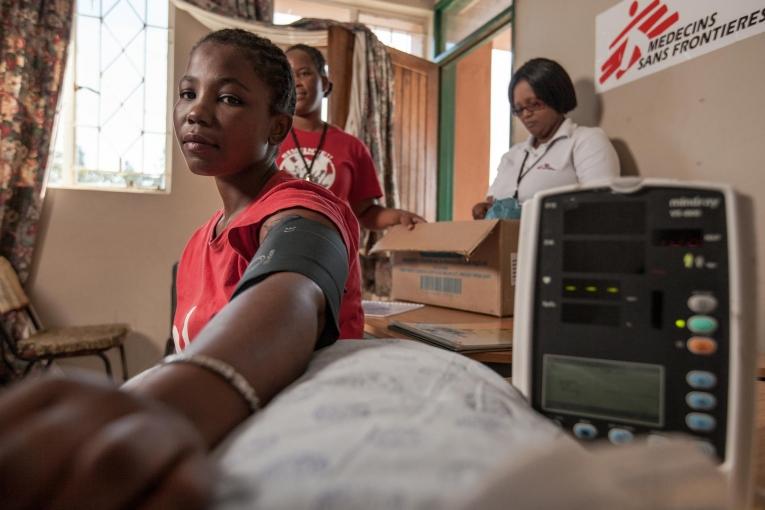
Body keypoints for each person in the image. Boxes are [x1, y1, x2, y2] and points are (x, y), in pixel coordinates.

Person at [0, 29, 363, 509]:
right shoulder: (199, 242)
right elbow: (181, 344)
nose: (196, 111)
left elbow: (292, 292)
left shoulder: (304, 209)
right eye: (188, 94)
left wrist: (175, 406)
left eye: (229, 97)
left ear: (276, 127)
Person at [276, 43, 425, 230]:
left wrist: (399, 216)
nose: (296, 81)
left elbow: (366, 213)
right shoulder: (267, 138)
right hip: (276, 251)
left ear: (323, 82)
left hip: (334, 253)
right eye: (289, 75)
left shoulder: (351, 146)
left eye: (304, 73)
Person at [472, 58, 620, 220]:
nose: (526, 114)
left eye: (534, 104)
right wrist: (484, 209)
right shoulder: (512, 155)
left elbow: (601, 209)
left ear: (556, 96)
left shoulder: (586, 141)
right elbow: (492, 204)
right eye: (519, 109)